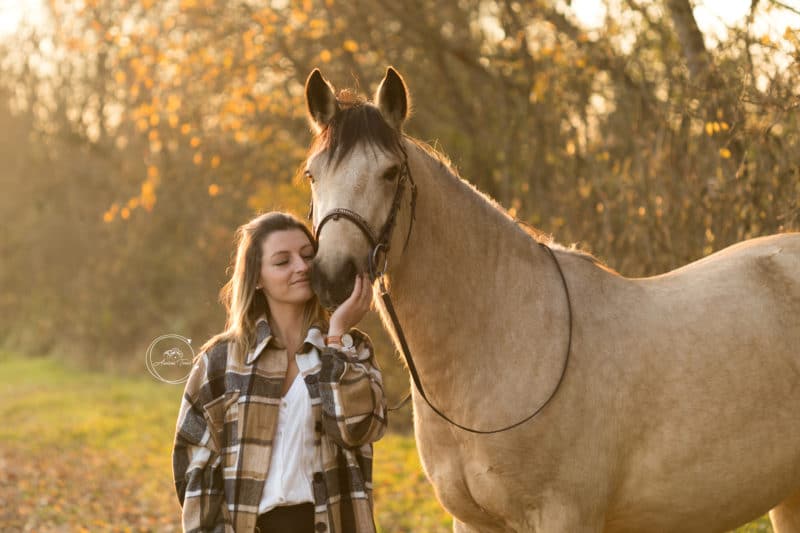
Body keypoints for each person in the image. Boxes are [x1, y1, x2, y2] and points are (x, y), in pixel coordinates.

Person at [172, 211, 387, 533]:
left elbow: (357, 430)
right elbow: (195, 466)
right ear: (257, 278)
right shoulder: (220, 361)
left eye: (307, 255)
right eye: (282, 261)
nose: (301, 267)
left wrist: (337, 335)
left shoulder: (349, 347)